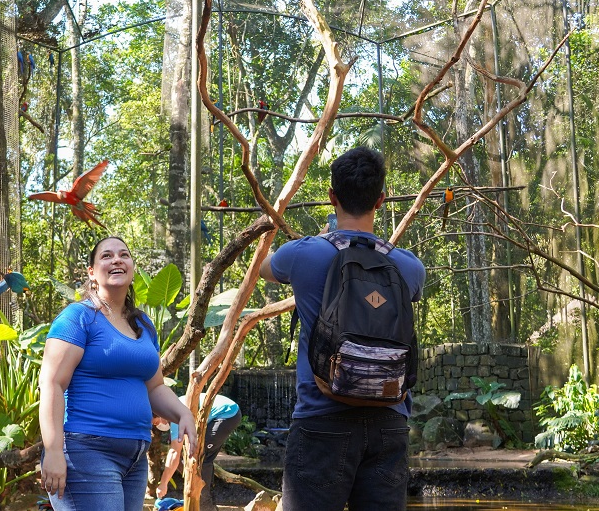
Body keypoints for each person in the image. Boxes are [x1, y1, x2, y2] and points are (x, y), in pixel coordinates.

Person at [259, 147, 425, 511]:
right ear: (380, 200)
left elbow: (263, 267)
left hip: (322, 419)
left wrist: (319, 238)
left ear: (332, 196)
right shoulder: (410, 267)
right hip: (389, 422)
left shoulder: (303, 254)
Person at [39, 236, 198, 511]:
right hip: (87, 450)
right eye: (107, 255)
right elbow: (52, 383)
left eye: (124, 255)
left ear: (132, 267)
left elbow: (155, 387)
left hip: (135, 457)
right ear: (92, 272)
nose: (117, 260)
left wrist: (183, 413)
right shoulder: (78, 317)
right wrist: (52, 450)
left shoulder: (143, 324)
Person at [154, 393, 241, 511]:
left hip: (226, 413)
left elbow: (174, 452)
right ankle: (208, 503)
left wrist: (163, 484)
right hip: (228, 411)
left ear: (160, 413)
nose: (159, 426)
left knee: (200, 456)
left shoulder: (173, 415)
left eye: (156, 422)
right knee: (200, 457)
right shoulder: (172, 406)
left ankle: (204, 505)